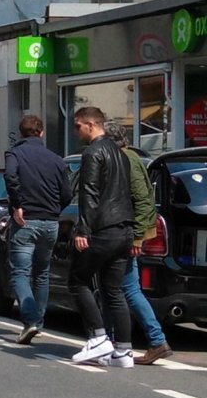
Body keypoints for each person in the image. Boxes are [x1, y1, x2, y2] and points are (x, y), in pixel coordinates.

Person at [103, 121, 173, 365]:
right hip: (126, 232)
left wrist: (138, 236)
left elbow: (143, 199)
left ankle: (154, 340)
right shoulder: (128, 157)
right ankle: (113, 341)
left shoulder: (126, 160)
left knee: (124, 289)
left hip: (126, 233)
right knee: (117, 288)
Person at [70, 106, 135, 367]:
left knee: (77, 280)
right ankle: (124, 351)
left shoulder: (93, 152)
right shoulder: (122, 155)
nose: (77, 131)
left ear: (91, 124)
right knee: (113, 290)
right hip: (124, 229)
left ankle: (98, 338)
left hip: (103, 228)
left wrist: (83, 229)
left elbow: (89, 193)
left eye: (78, 126)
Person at [3, 114, 72, 344]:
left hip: (26, 221)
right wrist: (55, 210)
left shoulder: (15, 154)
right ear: (41, 133)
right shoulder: (56, 159)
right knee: (42, 274)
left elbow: (10, 176)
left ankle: (30, 320)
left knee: (20, 273)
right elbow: (67, 193)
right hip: (51, 222)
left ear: (21, 133)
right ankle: (38, 323)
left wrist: (17, 205)